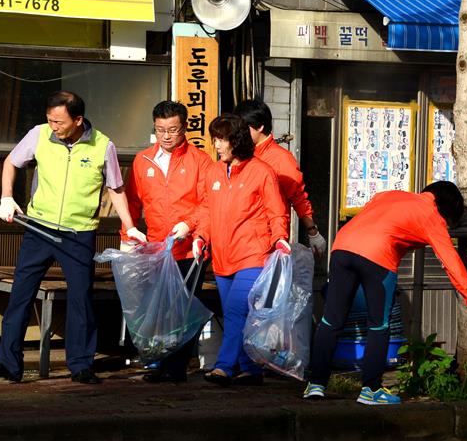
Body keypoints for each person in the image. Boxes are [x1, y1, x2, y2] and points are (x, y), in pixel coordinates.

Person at [0, 91, 146, 385]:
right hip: (38, 228)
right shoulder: (39, 135)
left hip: (77, 234)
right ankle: (9, 363)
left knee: (81, 299)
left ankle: (81, 366)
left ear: (78, 120)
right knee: (20, 294)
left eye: (59, 121)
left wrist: (129, 226)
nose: (53, 126)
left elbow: (115, 189)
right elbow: (11, 162)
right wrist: (6, 197)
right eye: (50, 119)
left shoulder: (102, 145)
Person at [305, 182, 467, 405]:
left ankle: (315, 384)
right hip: (378, 256)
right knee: (378, 325)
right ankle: (371, 390)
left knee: (330, 320)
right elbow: (450, 262)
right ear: (449, 209)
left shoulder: (391, 195)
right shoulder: (431, 215)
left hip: (342, 246)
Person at [192, 114, 289, 386]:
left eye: (221, 139)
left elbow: (276, 212)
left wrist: (280, 238)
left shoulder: (261, 172)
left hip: (253, 254)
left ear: (236, 140)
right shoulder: (213, 171)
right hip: (222, 257)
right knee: (238, 313)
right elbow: (206, 210)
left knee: (235, 310)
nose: (217, 145)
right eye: (215, 139)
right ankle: (250, 368)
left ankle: (224, 366)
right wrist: (200, 236)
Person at [122, 100, 214, 383]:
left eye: (173, 129)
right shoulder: (142, 161)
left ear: (184, 128)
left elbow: (208, 203)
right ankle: (160, 363)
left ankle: (176, 367)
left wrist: (191, 226)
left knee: (182, 309)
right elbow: (133, 203)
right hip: (154, 249)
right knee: (158, 309)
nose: (166, 135)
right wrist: (128, 234)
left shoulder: (200, 161)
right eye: (161, 129)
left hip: (188, 250)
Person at [236, 98, 326, 258]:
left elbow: (298, 197)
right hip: (236, 239)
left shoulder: (281, 159)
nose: (238, 133)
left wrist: (313, 232)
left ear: (260, 127)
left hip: (264, 242)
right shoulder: (240, 155)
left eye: (243, 128)